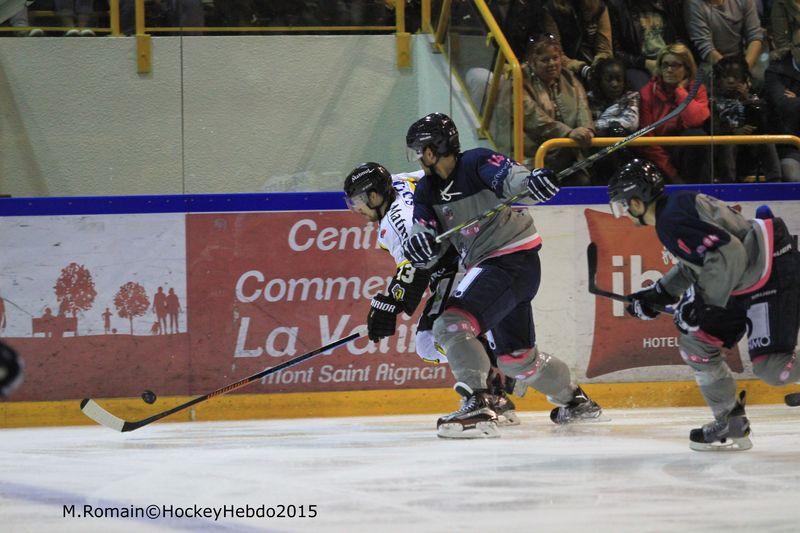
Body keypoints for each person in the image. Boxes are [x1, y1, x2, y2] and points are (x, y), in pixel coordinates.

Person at [402, 112, 602, 439]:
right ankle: (576, 402)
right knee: (516, 359)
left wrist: (532, 183)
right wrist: (419, 245)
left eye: (418, 151)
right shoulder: (426, 191)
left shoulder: (476, 162)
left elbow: (511, 179)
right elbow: (422, 231)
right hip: (497, 268)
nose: (418, 159)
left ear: (431, 150)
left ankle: (479, 401)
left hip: (510, 259)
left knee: (450, 324)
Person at [608, 158, 800, 451]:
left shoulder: (671, 220)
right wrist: (659, 293)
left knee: (772, 368)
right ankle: (729, 420)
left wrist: (706, 304)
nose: (624, 212)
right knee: (697, 345)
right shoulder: (674, 210)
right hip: (743, 277)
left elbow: (730, 253)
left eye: (623, 204)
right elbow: (699, 262)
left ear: (636, 201)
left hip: (769, 272)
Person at [343, 162, 520, 426]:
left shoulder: (396, 219)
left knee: (430, 339)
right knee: (436, 337)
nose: (355, 208)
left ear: (374, 196)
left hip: (458, 264)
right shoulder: (398, 180)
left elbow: (415, 268)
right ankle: (496, 379)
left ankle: (492, 384)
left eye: (358, 200)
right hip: (465, 256)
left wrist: (388, 305)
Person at [523, 33, 596, 186]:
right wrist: (568, 133)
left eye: (555, 58)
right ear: (532, 62)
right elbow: (534, 118)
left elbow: (582, 106)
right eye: (545, 60)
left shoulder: (569, 77)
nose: (552, 63)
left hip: (568, 151)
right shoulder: (519, 80)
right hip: (534, 156)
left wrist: (587, 130)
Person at [636, 43, 711, 183]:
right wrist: (673, 175)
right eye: (665, 65)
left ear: (687, 69)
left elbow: (695, 121)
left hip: (687, 156)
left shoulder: (697, 89)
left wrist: (680, 92)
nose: (669, 70)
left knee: (695, 137)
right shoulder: (647, 93)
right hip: (658, 156)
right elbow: (648, 141)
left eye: (676, 65)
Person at [710, 55, 781, 182]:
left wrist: (747, 99)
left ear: (744, 78)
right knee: (729, 144)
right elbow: (712, 126)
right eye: (726, 77)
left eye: (736, 77)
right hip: (722, 146)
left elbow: (764, 123)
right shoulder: (713, 98)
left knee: (766, 142)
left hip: (749, 146)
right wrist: (733, 132)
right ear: (718, 79)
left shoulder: (753, 95)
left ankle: (775, 182)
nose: (731, 81)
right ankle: (728, 185)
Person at [685, 0, 764, 74]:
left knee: (762, 75)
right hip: (712, 62)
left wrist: (744, 70)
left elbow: (755, 36)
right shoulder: (694, 4)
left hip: (741, 59)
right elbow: (706, 49)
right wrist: (731, 74)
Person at [763, 28, 800, 181]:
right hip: (790, 146)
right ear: (792, 48)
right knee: (794, 178)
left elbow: (793, 105)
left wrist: (796, 99)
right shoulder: (776, 72)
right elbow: (784, 106)